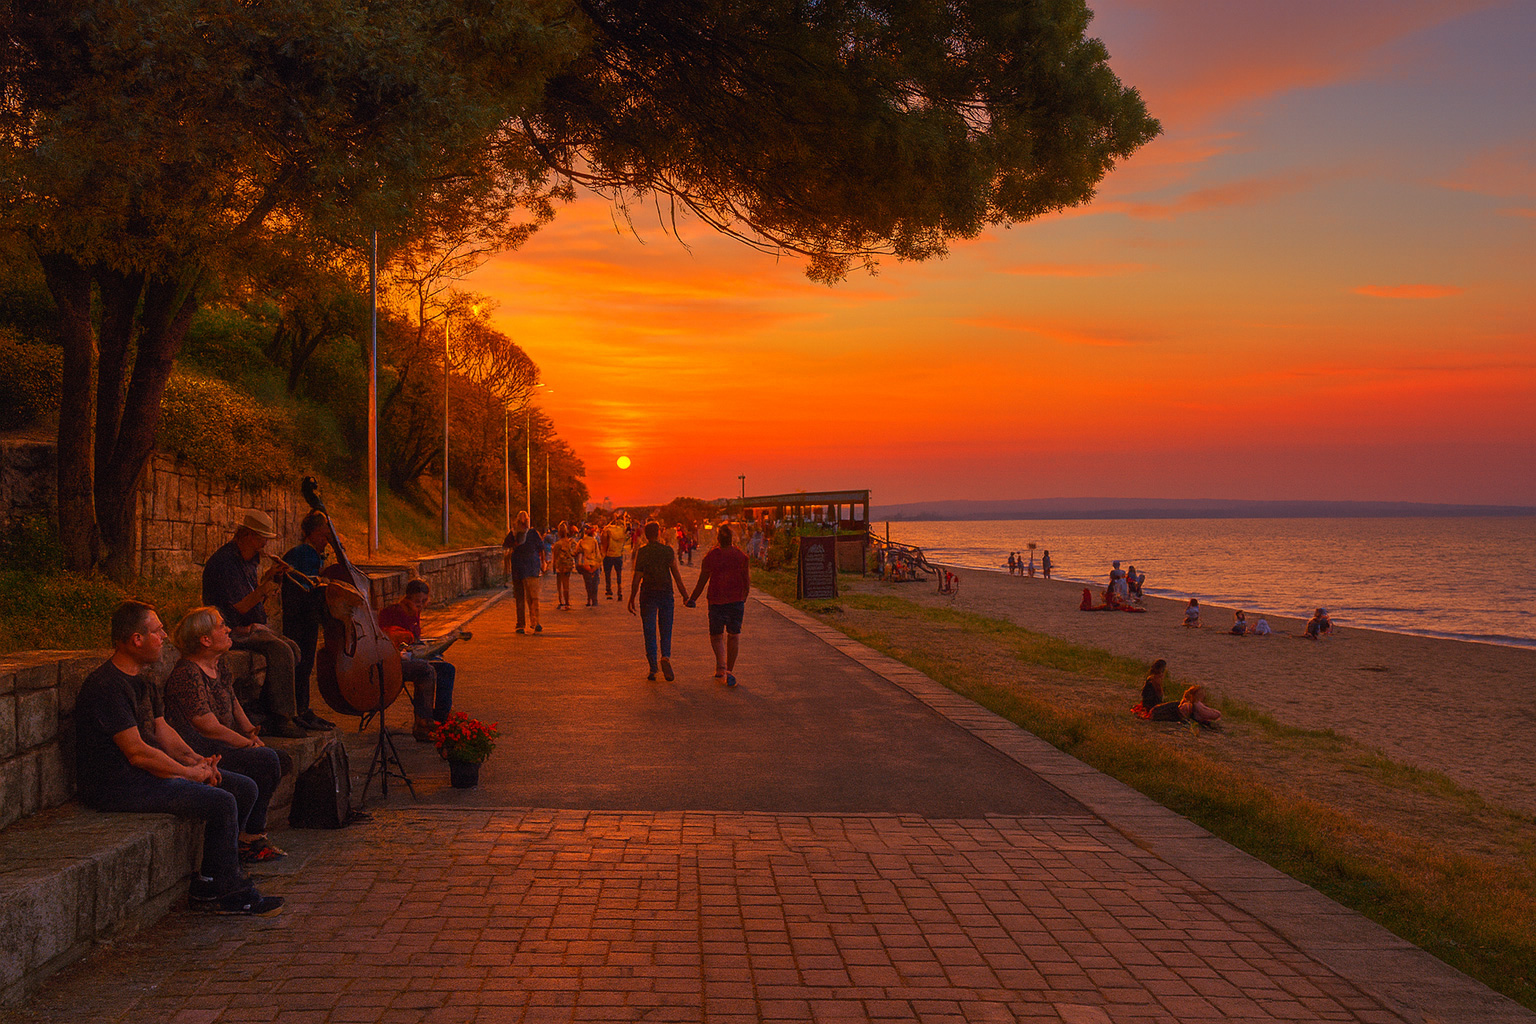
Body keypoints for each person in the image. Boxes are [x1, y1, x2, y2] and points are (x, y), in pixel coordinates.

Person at [76, 601, 282, 915]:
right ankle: (228, 890)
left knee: (243, 788)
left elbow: (164, 734)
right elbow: (137, 753)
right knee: (222, 801)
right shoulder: (107, 687)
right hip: (117, 785)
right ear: (136, 639)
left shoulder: (143, 681)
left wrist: (197, 762)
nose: (164, 637)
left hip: (143, 774)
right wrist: (187, 775)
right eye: (158, 631)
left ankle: (215, 877)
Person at [163, 607, 287, 863]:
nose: (228, 629)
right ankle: (250, 838)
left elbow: (233, 704)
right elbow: (205, 724)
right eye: (221, 626)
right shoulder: (187, 673)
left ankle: (251, 833)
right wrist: (247, 745)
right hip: (202, 748)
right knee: (265, 760)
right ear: (205, 640)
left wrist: (251, 734)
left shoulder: (220, 666)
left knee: (280, 758)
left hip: (222, 743)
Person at [201, 510, 307, 738]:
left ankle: (267, 707)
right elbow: (234, 611)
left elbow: (249, 594)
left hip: (248, 626)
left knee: (294, 649)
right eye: (261, 538)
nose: (265, 544)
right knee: (279, 649)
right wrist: (261, 592)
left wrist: (270, 577)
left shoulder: (248, 559)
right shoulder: (224, 564)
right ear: (247, 535)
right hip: (229, 630)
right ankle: (282, 718)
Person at [378, 579, 457, 741]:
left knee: (447, 668)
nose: (420, 605)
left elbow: (416, 640)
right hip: (393, 660)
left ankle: (440, 721)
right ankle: (423, 722)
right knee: (425, 669)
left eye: (423, 601)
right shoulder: (394, 612)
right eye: (416, 601)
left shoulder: (414, 613)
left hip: (411, 656)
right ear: (407, 598)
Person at [278, 510, 336, 731]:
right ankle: (299, 710)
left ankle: (302, 708)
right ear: (312, 534)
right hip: (302, 616)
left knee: (303, 663)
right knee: (302, 664)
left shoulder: (303, 554)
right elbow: (307, 586)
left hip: (299, 615)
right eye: (324, 536)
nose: (327, 542)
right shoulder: (305, 554)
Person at [685, 524, 751, 687]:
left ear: (718, 539)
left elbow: (702, 580)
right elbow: (746, 581)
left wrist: (692, 598)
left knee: (716, 636)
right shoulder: (741, 556)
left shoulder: (711, 556)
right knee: (734, 635)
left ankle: (721, 666)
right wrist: (744, 597)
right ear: (732, 539)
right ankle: (729, 671)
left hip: (716, 601)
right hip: (736, 600)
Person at [628, 520, 689, 681]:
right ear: (659, 533)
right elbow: (676, 575)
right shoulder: (667, 551)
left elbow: (637, 578)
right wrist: (685, 596)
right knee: (666, 628)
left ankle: (653, 667)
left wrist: (631, 598)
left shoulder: (643, 552)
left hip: (648, 594)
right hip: (666, 593)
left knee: (649, 631)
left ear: (646, 535)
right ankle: (666, 657)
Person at [602, 514, 630, 599]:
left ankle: (609, 591)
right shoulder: (622, 530)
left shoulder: (607, 530)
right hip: (618, 555)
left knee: (608, 574)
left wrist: (604, 553)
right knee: (619, 574)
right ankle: (619, 590)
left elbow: (604, 543)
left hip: (609, 554)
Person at [551, 521, 576, 611]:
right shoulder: (570, 542)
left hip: (560, 565)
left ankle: (561, 601)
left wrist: (554, 566)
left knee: (559, 584)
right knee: (566, 584)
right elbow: (574, 552)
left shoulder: (557, 544)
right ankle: (567, 602)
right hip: (568, 565)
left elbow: (555, 556)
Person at [576, 523, 602, 607]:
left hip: (585, 565)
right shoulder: (594, 541)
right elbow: (598, 554)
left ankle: (589, 599)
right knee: (595, 583)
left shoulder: (581, 542)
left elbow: (576, 552)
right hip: (594, 565)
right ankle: (595, 599)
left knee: (588, 584)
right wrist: (598, 565)